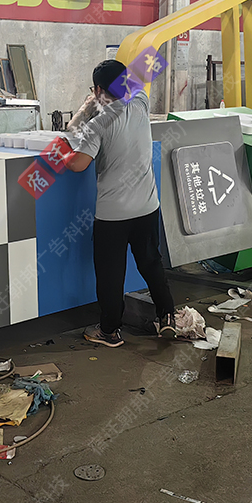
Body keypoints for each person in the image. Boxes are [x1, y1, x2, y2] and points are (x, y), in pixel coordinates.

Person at [63, 60, 176, 347]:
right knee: (151, 263)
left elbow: (77, 164)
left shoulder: (97, 125)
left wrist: (84, 113)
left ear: (98, 90)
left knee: (111, 275)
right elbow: (132, 84)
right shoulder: (141, 102)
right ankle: (167, 316)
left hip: (113, 215)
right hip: (147, 206)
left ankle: (109, 331)